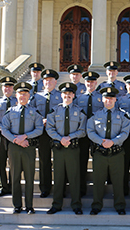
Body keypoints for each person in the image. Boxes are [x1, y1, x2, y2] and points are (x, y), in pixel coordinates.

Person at [1, 82, 43, 214]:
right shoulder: (10, 111)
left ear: (29, 95)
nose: (22, 96)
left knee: (29, 176)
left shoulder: (34, 112)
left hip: (28, 147)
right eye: (20, 94)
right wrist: (16, 140)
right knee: (15, 176)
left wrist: (25, 136)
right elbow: (4, 129)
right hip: (14, 148)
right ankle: (17, 205)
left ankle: (29, 206)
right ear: (16, 95)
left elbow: (39, 129)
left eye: (25, 94)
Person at [87, 87, 130, 215]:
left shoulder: (122, 115)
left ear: (115, 99)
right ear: (102, 100)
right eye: (106, 98)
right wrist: (101, 141)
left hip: (117, 152)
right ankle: (96, 205)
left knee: (118, 181)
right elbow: (90, 131)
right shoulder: (95, 115)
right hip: (100, 153)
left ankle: (120, 205)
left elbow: (125, 131)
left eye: (111, 98)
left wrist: (113, 141)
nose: (109, 101)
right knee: (98, 180)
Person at [46, 82, 86, 215]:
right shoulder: (54, 111)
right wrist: (60, 138)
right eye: (65, 94)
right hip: (58, 149)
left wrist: (70, 138)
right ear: (61, 95)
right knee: (58, 177)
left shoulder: (79, 111)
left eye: (70, 94)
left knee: (74, 177)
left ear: (74, 95)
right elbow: (49, 128)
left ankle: (76, 205)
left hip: (73, 149)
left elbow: (83, 130)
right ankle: (56, 204)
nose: (67, 96)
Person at [29, 69, 62, 198]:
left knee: (59, 161)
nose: (48, 82)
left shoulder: (61, 96)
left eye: (50, 80)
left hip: (58, 132)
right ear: (43, 82)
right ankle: (45, 188)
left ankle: (60, 187)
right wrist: (39, 119)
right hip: (42, 133)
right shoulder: (37, 96)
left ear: (55, 82)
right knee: (44, 160)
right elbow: (31, 111)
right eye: (46, 80)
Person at [75, 71, 104, 196]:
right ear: (84, 83)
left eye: (92, 82)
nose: (90, 84)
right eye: (88, 81)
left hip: (98, 134)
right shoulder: (79, 98)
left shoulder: (102, 98)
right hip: (82, 135)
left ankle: (100, 189)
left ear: (96, 83)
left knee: (100, 163)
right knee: (81, 162)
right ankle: (81, 188)